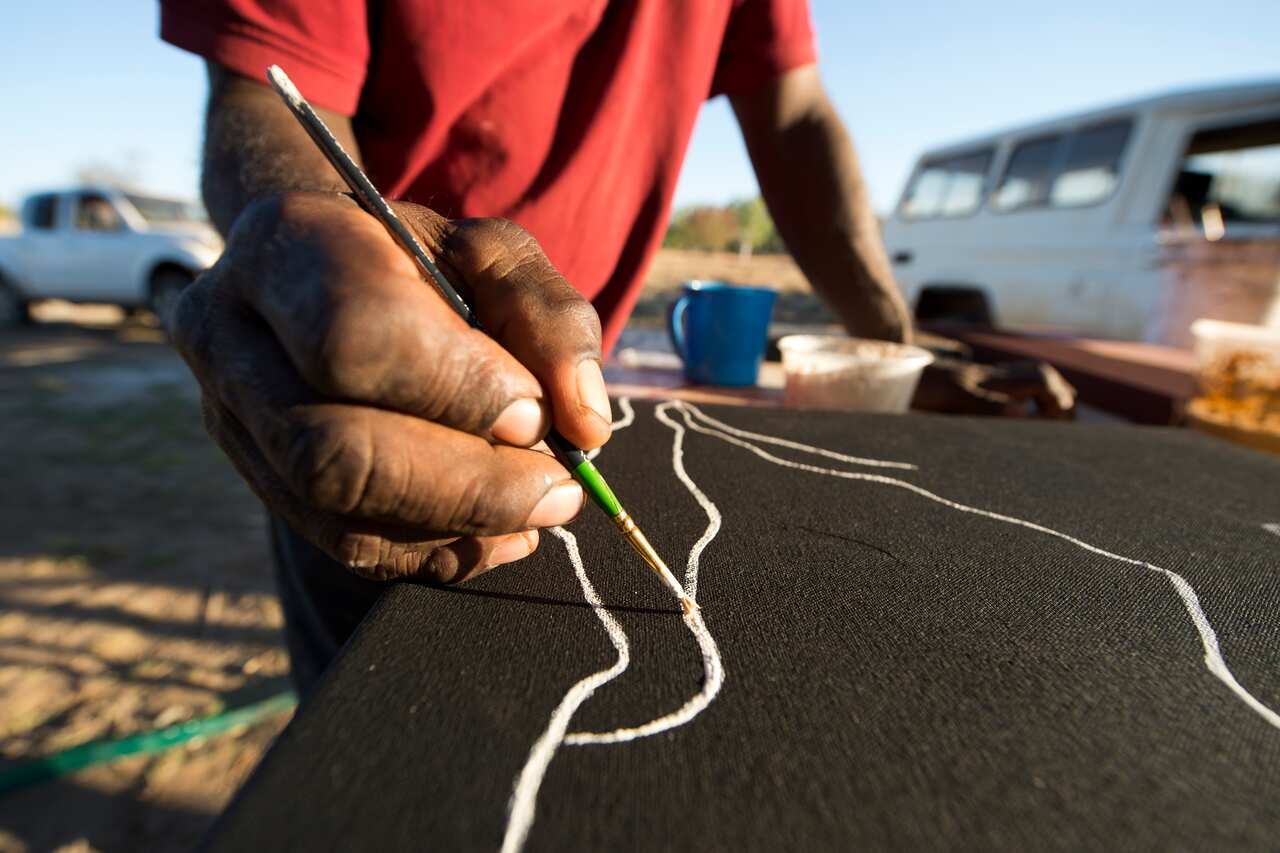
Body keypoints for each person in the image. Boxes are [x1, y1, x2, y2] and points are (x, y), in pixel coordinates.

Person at [161, 0, 1069, 692]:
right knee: (393, 734)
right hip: (389, 398)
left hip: (578, 398)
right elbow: (271, 93)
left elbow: (793, 117)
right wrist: (320, 249)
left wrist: (891, 346)